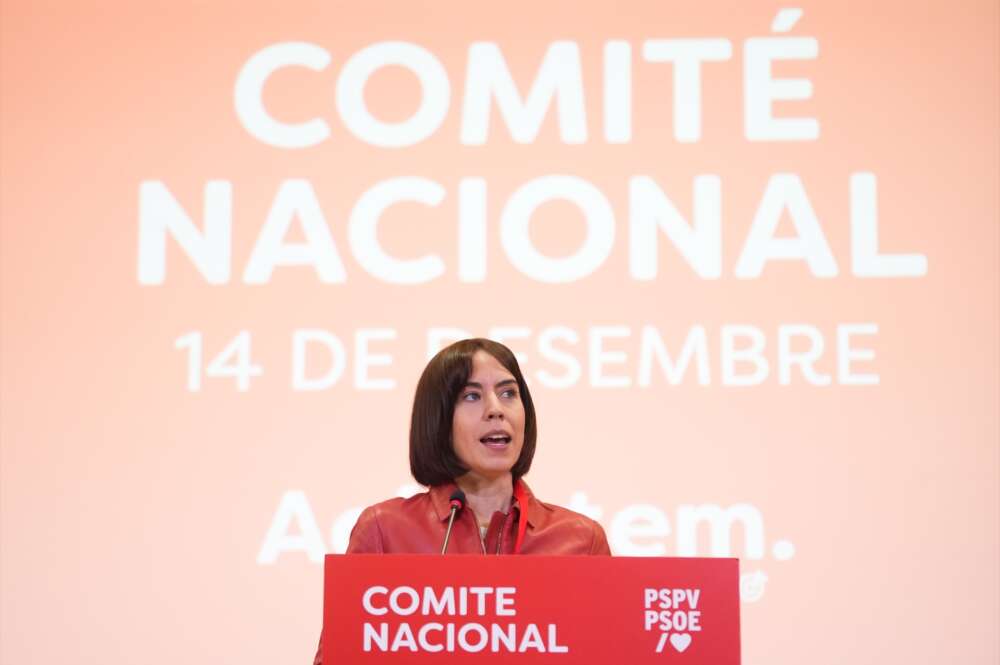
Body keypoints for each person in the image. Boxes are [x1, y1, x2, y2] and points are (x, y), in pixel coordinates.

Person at [313, 338, 609, 663]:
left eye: (509, 393)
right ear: (439, 419)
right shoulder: (385, 530)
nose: (496, 408)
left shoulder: (580, 539)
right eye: (471, 395)